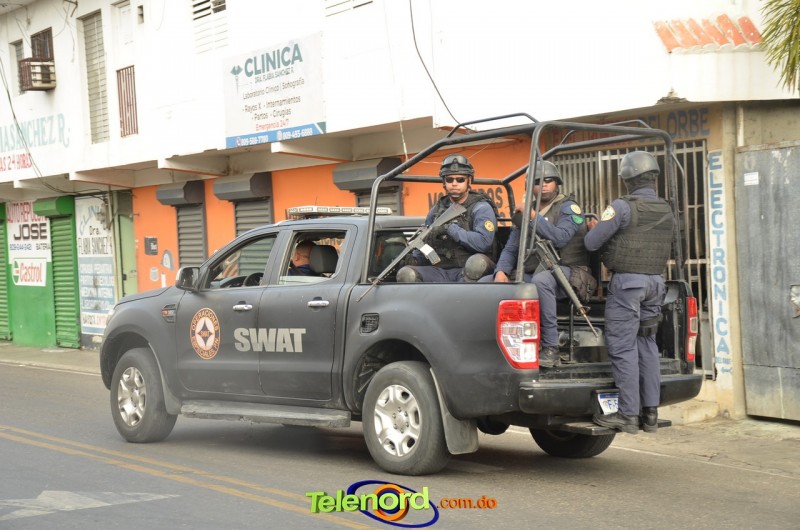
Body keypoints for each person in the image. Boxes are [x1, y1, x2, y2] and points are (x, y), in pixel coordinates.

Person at [584, 151, 675, 434]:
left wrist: (596, 227)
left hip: (628, 285)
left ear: (627, 179)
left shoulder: (622, 207)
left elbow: (591, 243)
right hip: (656, 283)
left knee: (623, 347)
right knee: (647, 344)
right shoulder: (666, 208)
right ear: (653, 178)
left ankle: (627, 415)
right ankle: (650, 413)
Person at [481, 161, 591, 368]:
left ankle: (551, 347)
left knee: (542, 281)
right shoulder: (526, 211)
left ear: (557, 183)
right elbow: (511, 248)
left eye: (549, 180)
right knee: (486, 283)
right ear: (530, 186)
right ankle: (489, 343)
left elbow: (560, 238)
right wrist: (501, 271)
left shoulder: (569, 208)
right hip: (535, 272)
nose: (544, 185)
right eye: (538, 181)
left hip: (570, 273)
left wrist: (533, 217)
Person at [397, 153, 498, 282]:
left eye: (460, 179)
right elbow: (426, 242)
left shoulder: (480, 208)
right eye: (449, 179)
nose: (454, 183)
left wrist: (450, 229)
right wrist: (416, 258)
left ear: (469, 181)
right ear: (444, 182)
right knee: (406, 274)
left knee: (476, 264)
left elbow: (483, 243)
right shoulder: (437, 210)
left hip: (469, 271)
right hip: (440, 270)